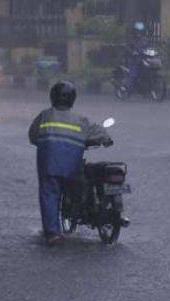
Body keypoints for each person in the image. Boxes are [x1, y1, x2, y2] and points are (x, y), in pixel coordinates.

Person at [28, 81, 113, 245]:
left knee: (50, 195)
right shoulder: (80, 120)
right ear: (72, 100)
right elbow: (99, 132)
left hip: (49, 165)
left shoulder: (44, 115)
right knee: (79, 185)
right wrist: (106, 139)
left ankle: (53, 233)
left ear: (52, 97)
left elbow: (33, 136)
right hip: (73, 167)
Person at [123, 21, 149, 91]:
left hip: (143, 58)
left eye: (140, 31)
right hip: (133, 59)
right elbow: (127, 47)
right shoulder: (131, 39)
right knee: (133, 74)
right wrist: (132, 52)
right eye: (138, 31)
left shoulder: (145, 39)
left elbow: (148, 47)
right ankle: (126, 88)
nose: (139, 33)